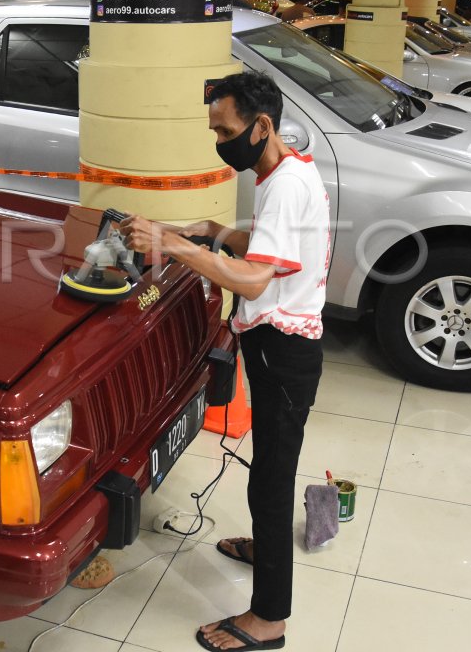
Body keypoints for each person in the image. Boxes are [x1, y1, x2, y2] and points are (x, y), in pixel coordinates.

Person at [120, 71, 330, 652]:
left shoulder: (284, 186)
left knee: (271, 478)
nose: (219, 141)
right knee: (269, 463)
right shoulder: (285, 170)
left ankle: (270, 620)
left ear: (262, 126)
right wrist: (213, 231)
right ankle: (267, 548)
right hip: (280, 345)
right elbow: (271, 250)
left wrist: (177, 246)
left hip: (285, 351)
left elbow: (256, 282)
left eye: (226, 129)